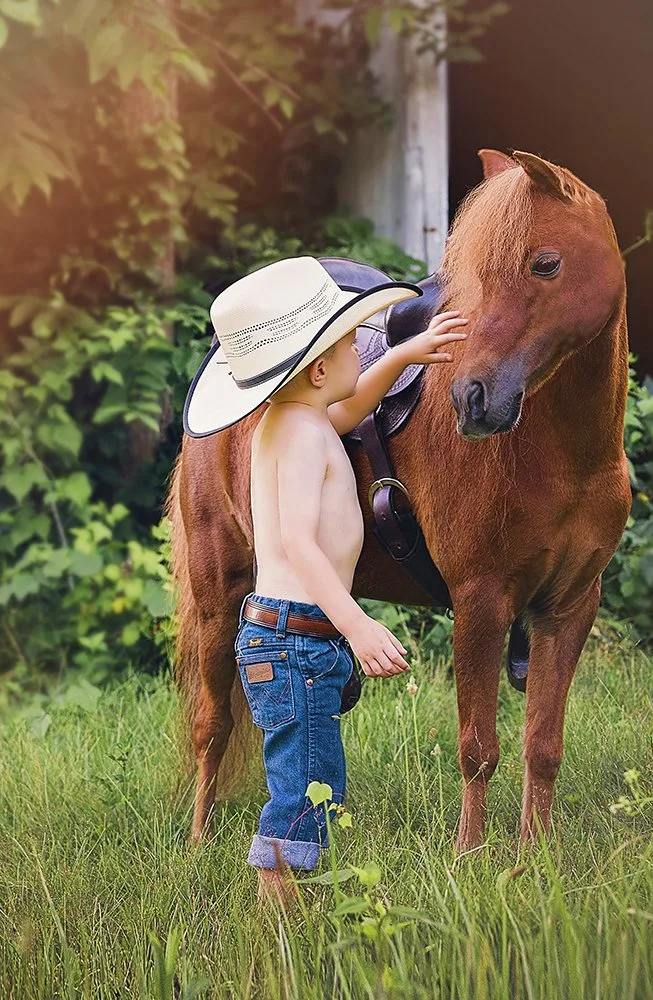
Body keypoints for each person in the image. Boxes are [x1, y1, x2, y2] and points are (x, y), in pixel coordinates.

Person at [180, 256, 468, 906]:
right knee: (307, 790)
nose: (359, 353)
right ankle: (277, 923)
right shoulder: (306, 437)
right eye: (350, 344)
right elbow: (299, 547)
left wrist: (407, 355)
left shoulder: (291, 421)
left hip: (287, 640)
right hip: (297, 640)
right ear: (317, 369)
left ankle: (291, 898)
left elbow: (354, 403)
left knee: (314, 778)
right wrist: (358, 624)